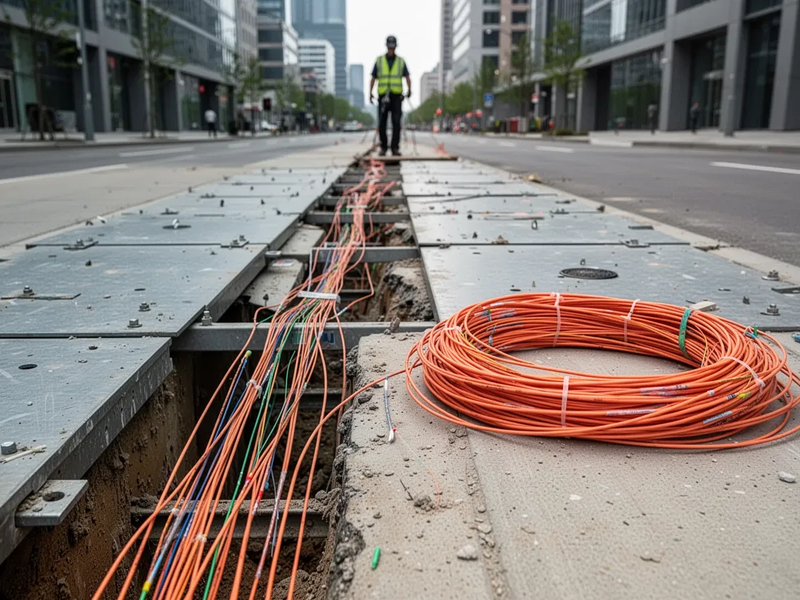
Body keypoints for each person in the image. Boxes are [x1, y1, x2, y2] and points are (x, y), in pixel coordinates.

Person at [369, 35, 412, 157]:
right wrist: (370, 93)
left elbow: (407, 77)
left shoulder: (400, 61)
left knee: (396, 123)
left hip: (396, 96)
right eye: (389, 47)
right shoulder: (379, 60)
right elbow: (373, 78)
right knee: (382, 122)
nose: (391, 50)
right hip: (383, 96)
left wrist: (409, 90)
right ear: (387, 47)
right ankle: (383, 147)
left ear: (395, 47)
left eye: (393, 47)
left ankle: (394, 148)